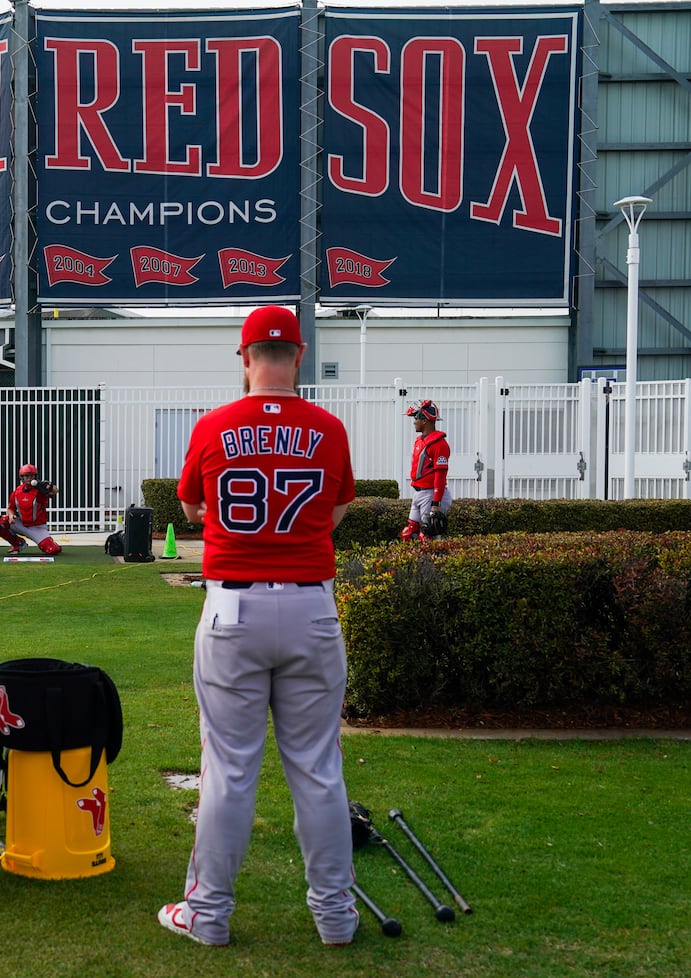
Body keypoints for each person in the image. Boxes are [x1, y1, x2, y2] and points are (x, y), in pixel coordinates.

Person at [159, 305, 358, 948]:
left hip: (233, 608)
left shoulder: (215, 425)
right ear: (298, 355)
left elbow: (191, 505)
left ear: (244, 357)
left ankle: (210, 915)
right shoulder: (327, 428)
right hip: (310, 606)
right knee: (318, 768)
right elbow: (338, 508)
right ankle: (335, 917)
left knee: (229, 770)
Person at [402, 399, 452, 541]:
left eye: (416, 418)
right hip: (419, 492)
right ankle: (412, 562)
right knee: (409, 533)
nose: (414, 421)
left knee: (427, 536)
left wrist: (436, 503)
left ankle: (434, 563)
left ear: (425, 421)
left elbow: (440, 476)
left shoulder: (439, 444)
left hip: (430, 494)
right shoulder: (420, 440)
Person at [0, 463, 61, 555]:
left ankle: (53, 544)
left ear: (35, 476)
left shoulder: (40, 491)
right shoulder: (17, 491)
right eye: (26, 476)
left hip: (37, 528)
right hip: (22, 524)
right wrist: (11, 515)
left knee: (52, 550)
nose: (29, 478)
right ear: (21, 477)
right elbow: (11, 508)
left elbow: (55, 491)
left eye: (31, 475)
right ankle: (18, 543)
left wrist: (49, 486)